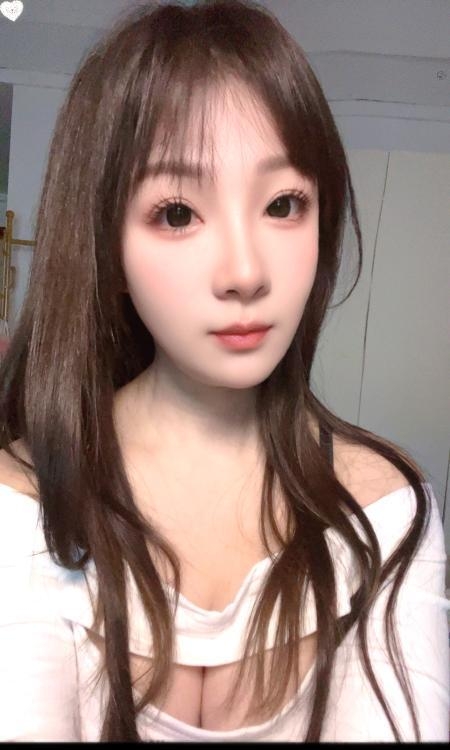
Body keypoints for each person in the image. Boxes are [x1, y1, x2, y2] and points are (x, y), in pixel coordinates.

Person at [0, 0, 448, 742]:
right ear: (106, 247)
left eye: (283, 204)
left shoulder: (385, 512)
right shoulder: (23, 504)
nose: (245, 272)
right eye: (177, 213)